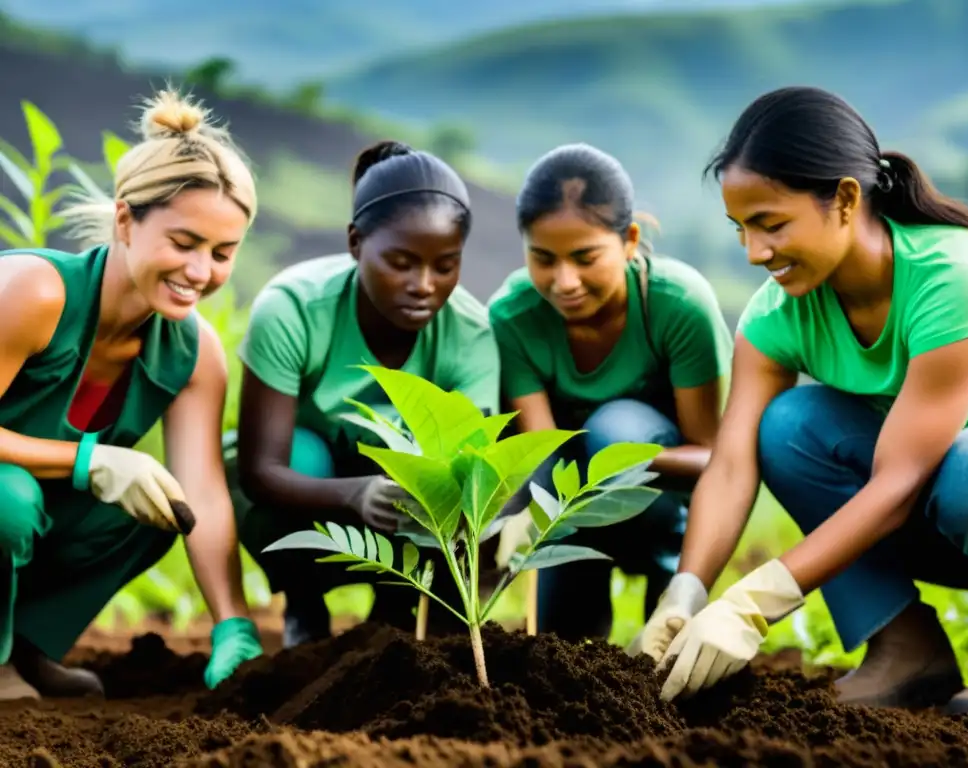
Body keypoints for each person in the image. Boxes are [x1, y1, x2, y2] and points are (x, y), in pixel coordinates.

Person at [636, 85, 968, 721]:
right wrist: (688, 592)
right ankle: (905, 649)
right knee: (785, 426)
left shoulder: (953, 276)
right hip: (945, 514)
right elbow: (731, 465)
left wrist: (757, 602)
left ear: (845, 199)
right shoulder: (777, 313)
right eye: (741, 229)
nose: (755, 253)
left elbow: (901, 480)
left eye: (772, 223)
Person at [0, 88, 264, 701]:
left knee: (165, 505)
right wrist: (89, 461)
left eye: (223, 253)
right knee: (8, 500)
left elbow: (202, 490)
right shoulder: (34, 294)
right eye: (184, 243)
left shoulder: (193, 353)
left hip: (33, 517)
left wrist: (233, 623)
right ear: (126, 220)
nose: (201, 272)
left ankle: (25, 647)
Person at [228, 140, 501, 649]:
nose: (423, 285)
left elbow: (469, 475)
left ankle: (393, 616)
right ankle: (303, 604)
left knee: (435, 476)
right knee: (298, 455)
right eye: (401, 262)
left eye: (445, 266)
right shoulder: (292, 309)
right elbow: (259, 470)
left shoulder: (471, 335)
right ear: (356, 243)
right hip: (309, 488)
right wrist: (354, 494)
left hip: (407, 502)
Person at [487, 143, 734, 642]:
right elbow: (543, 451)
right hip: (568, 510)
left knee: (614, 427)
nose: (564, 282)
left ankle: (667, 578)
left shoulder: (678, 305)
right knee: (560, 658)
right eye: (543, 259)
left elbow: (714, 457)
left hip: (662, 505)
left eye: (585, 257)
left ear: (629, 240)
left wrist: (618, 461)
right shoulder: (512, 317)